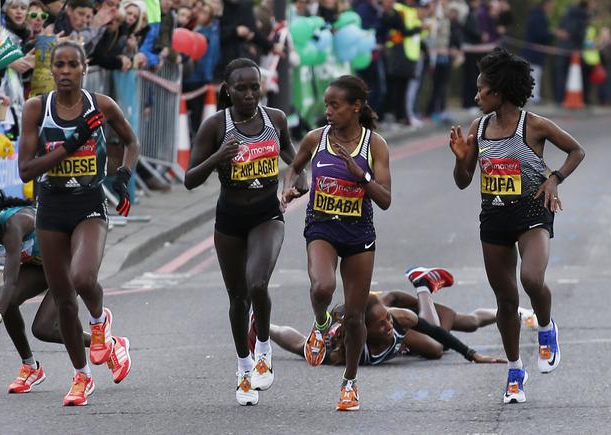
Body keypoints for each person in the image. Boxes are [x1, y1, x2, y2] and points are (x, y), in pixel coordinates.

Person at [449, 47, 585, 404]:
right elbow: (463, 181)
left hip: (532, 213)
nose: (476, 96)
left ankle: (545, 327)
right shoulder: (478, 128)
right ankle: (514, 371)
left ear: (501, 93)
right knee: (506, 301)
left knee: (531, 279)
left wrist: (554, 178)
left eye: (482, 90)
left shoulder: (534, 125)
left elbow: (576, 151)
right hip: (494, 217)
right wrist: (463, 159)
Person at [18, 40, 140, 406]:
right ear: (52, 69)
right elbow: (25, 169)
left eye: (73, 64)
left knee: (83, 278)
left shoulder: (100, 105)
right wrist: (69, 146)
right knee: (65, 303)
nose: (66, 71)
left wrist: (124, 175)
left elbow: (131, 141)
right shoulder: (35, 109)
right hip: (51, 209)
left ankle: (101, 321)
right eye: (60, 65)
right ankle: (82, 375)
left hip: (89, 204)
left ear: (85, 67)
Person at [184, 58, 306, 406]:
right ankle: (243, 368)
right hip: (230, 220)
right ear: (228, 90)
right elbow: (190, 179)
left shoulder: (275, 119)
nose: (250, 94)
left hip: (268, 214)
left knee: (257, 283)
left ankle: (264, 348)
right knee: (238, 299)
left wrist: (297, 184)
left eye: (255, 87)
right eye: (242, 88)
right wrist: (218, 157)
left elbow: (297, 164)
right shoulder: (215, 126)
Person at [0, 181, 131, 394]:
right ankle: (30, 367)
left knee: (42, 328)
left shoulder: (14, 224)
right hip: (40, 266)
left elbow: (11, 279)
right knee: (10, 302)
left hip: (68, 263)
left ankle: (112, 344)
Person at [281, 75, 392, 411]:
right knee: (322, 288)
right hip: (322, 226)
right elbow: (294, 168)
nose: (328, 111)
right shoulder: (316, 139)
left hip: (359, 233)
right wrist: (289, 187)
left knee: (356, 316)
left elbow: (385, 199)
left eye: (335, 105)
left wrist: (362, 176)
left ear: (355, 107)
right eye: (326, 104)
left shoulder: (375, 145)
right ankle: (320, 325)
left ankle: (350, 382)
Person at [250, 266, 529, 366]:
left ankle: (422, 286)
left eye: (387, 321)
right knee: (307, 351)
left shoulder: (396, 319)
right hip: (359, 319)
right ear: (363, 331)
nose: (387, 325)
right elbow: (298, 343)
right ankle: (257, 321)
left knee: (449, 336)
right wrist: (264, 327)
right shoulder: (344, 352)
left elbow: (429, 328)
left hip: (396, 307)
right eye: (382, 324)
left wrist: (471, 354)